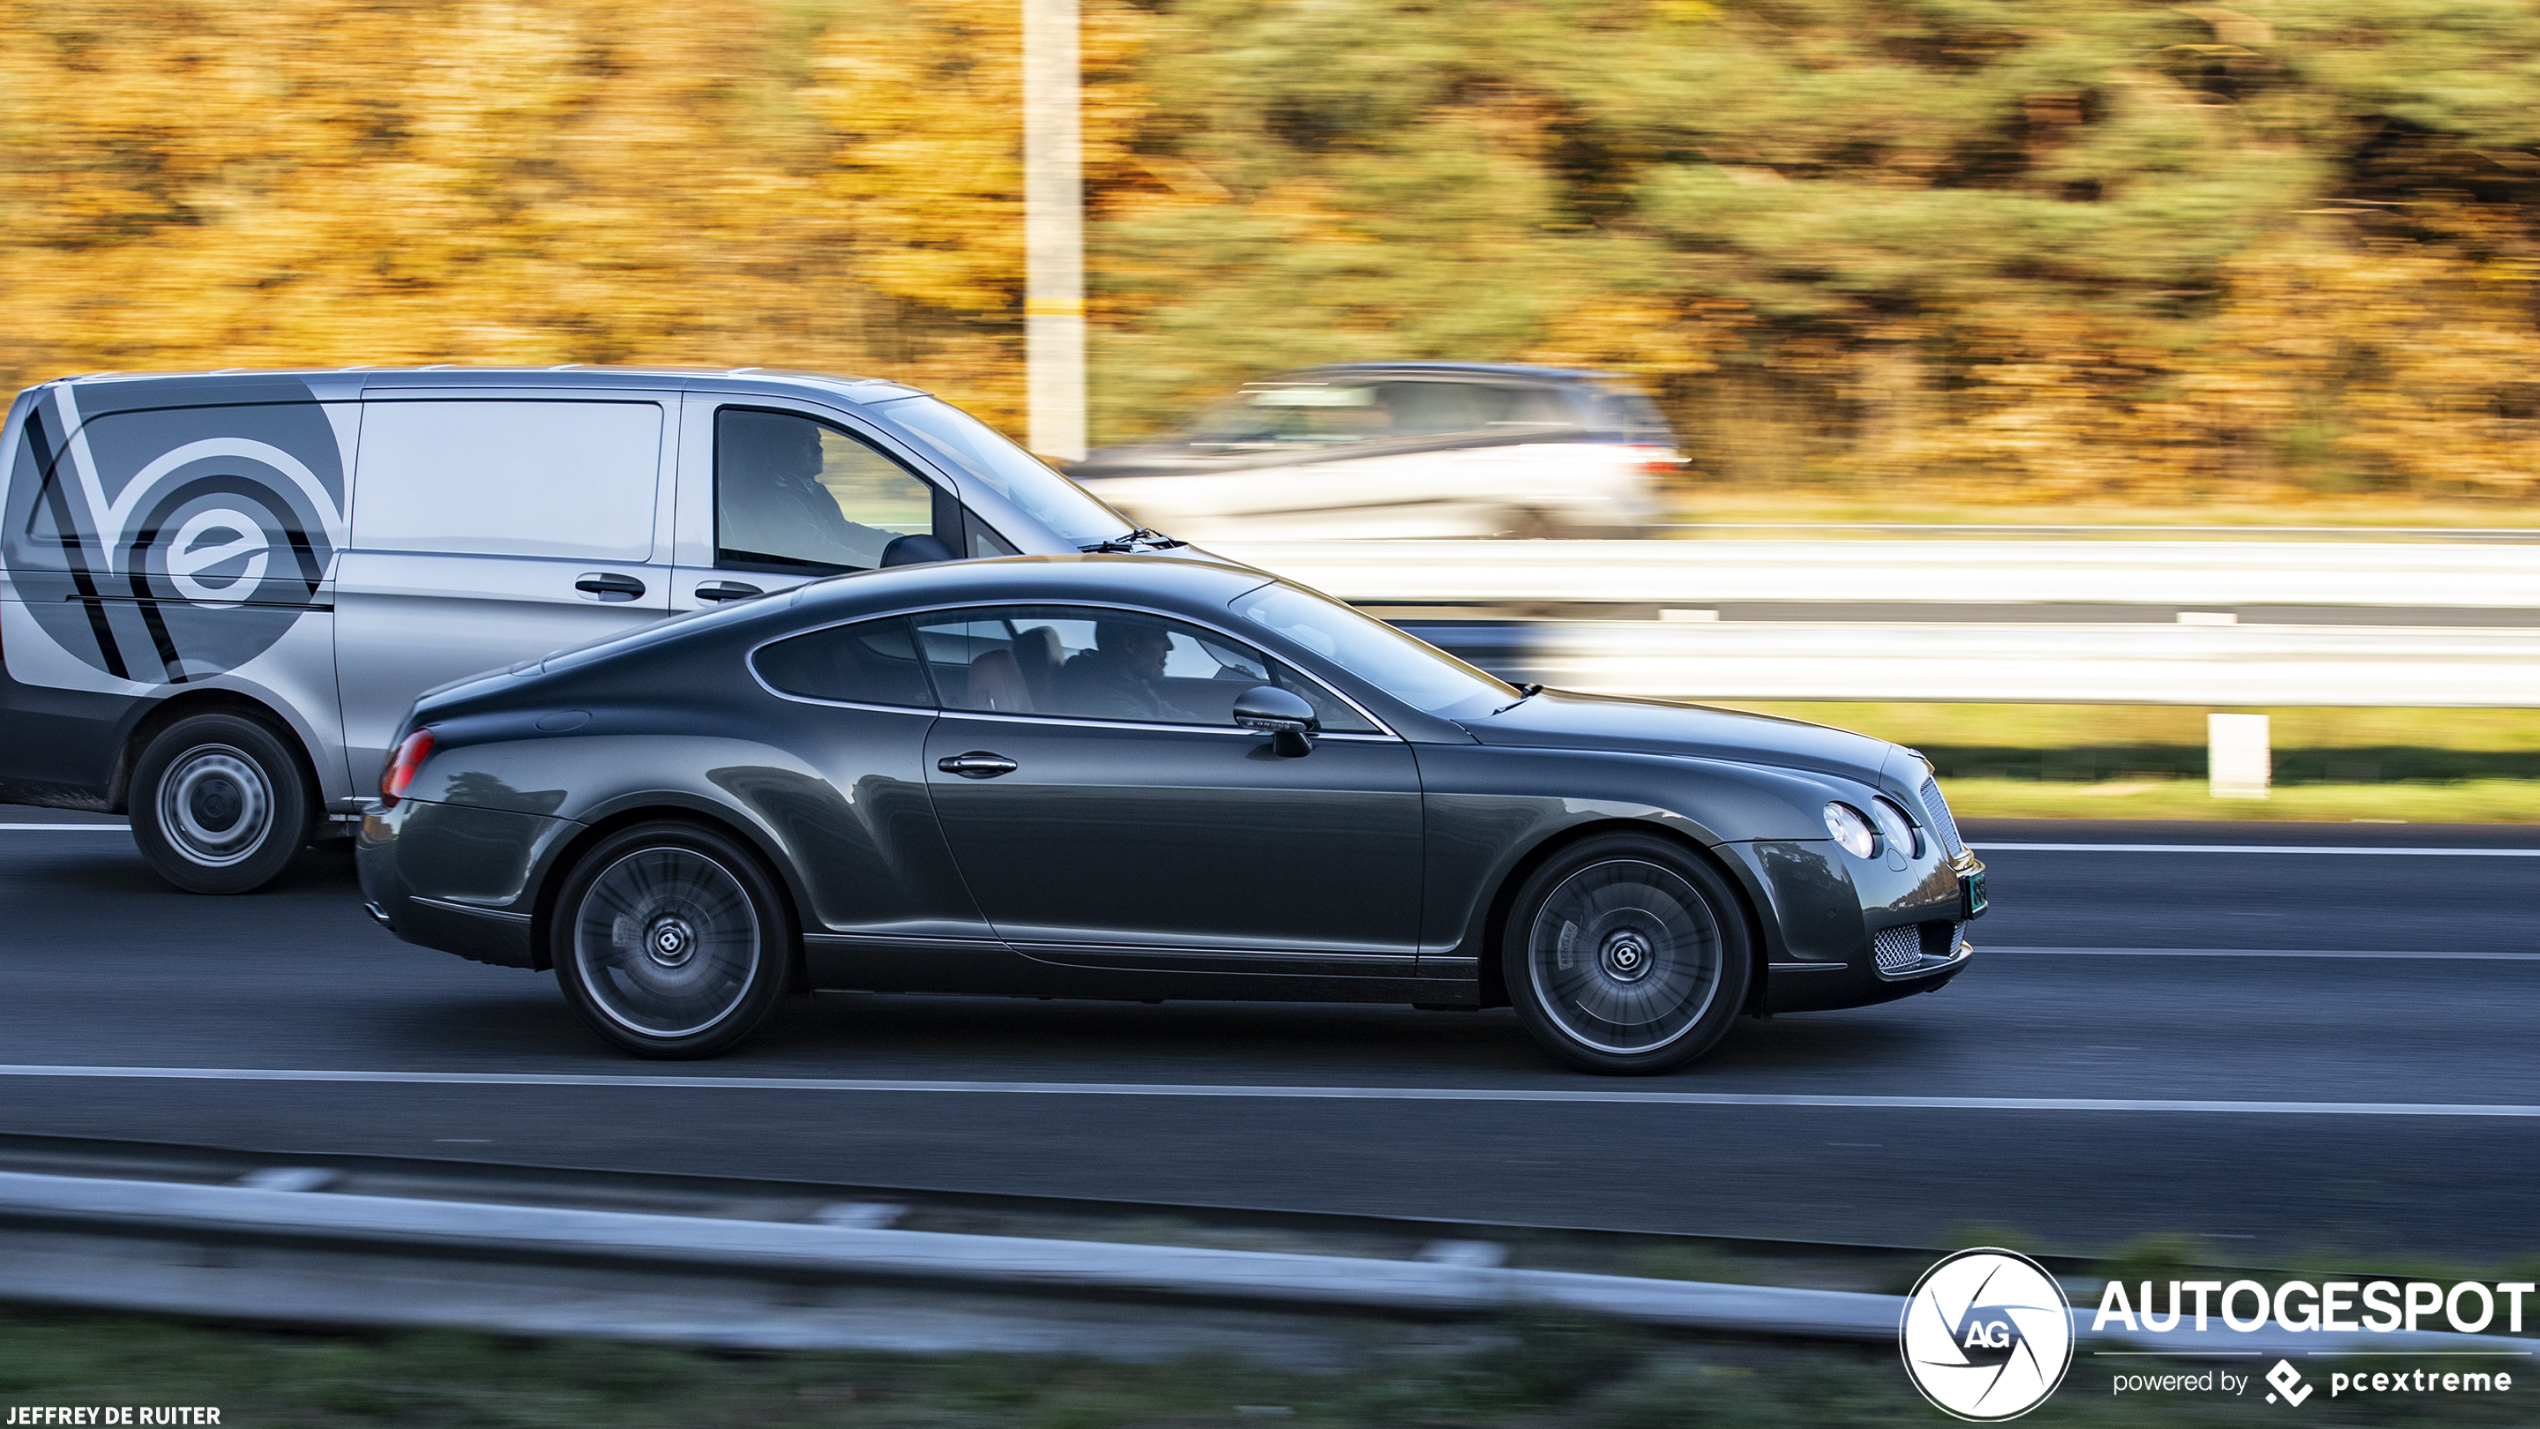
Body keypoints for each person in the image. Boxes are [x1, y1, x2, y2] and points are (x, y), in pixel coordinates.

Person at [716, 412, 897, 569]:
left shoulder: (813, 490)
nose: (818, 449)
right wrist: (883, 567)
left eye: (818, 440)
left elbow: (844, 532)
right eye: (805, 441)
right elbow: (821, 553)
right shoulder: (774, 501)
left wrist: (896, 544)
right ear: (780, 449)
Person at [1059, 621, 1198, 722]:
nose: (1170, 646)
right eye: (1160, 636)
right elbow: (1167, 738)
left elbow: (1171, 715)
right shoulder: (1106, 705)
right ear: (1130, 645)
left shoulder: (1128, 685)